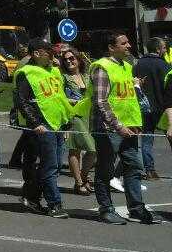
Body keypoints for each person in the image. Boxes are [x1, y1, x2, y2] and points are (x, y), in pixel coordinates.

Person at [87, 32, 161, 224]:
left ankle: (136, 208)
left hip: (129, 128)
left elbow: (126, 98)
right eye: (124, 43)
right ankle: (106, 209)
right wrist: (118, 126)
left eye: (128, 42)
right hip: (109, 129)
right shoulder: (101, 68)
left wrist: (136, 86)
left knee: (134, 167)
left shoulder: (128, 67)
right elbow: (100, 102)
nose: (129, 46)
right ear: (111, 47)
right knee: (105, 170)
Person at [12, 38, 70, 218]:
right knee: (50, 165)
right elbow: (22, 101)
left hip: (58, 123)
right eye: (49, 52)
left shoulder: (54, 71)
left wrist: (66, 122)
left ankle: (31, 196)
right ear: (36, 53)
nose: (53, 55)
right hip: (42, 126)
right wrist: (35, 123)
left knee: (55, 165)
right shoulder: (26, 73)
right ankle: (55, 204)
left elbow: (59, 97)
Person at [58, 47, 96, 195]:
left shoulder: (87, 75)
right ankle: (79, 182)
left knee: (93, 151)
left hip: (89, 116)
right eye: (66, 60)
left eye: (71, 58)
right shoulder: (64, 78)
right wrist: (71, 100)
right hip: (74, 116)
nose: (69, 61)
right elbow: (58, 96)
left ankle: (83, 177)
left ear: (79, 59)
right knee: (76, 149)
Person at [135, 37, 169, 179]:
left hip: (144, 107)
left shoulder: (138, 64)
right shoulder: (164, 65)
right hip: (163, 107)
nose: (166, 50)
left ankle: (149, 170)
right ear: (157, 49)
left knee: (147, 139)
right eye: (164, 48)